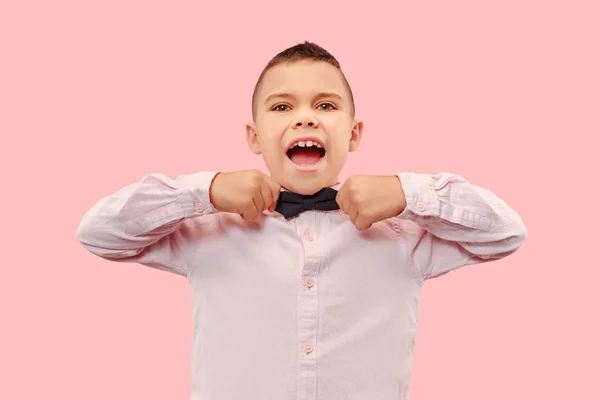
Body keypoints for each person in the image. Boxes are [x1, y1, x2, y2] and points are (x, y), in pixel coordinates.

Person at [77, 41, 527, 400]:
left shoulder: (403, 237)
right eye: (281, 108)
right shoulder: (210, 232)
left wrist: (408, 193)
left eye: (327, 106)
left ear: (354, 134)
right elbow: (99, 233)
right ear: (254, 137)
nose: (306, 117)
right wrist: (205, 190)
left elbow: (505, 234)